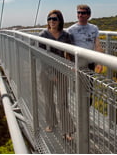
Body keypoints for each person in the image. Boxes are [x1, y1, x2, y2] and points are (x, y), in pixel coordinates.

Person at [39, 9, 75, 141]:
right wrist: (50, 74)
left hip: (62, 72)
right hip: (46, 72)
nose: (51, 21)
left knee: (62, 102)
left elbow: (70, 52)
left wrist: (73, 66)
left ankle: (67, 130)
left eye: (54, 19)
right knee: (48, 100)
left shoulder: (65, 35)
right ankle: (51, 123)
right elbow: (41, 56)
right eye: (49, 19)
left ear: (60, 20)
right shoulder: (42, 35)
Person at [67, 4, 104, 105]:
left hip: (90, 62)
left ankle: (87, 109)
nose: (80, 15)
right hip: (78, 63)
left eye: (83, 13)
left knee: (89, 87)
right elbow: (68, 49)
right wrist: (72, 64)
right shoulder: (71, 30)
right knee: (78, 88)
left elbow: (97, 45)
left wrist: (100, 62)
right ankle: (80, 109)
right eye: (78, 13)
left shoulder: (94, 28)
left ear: (88, 15)